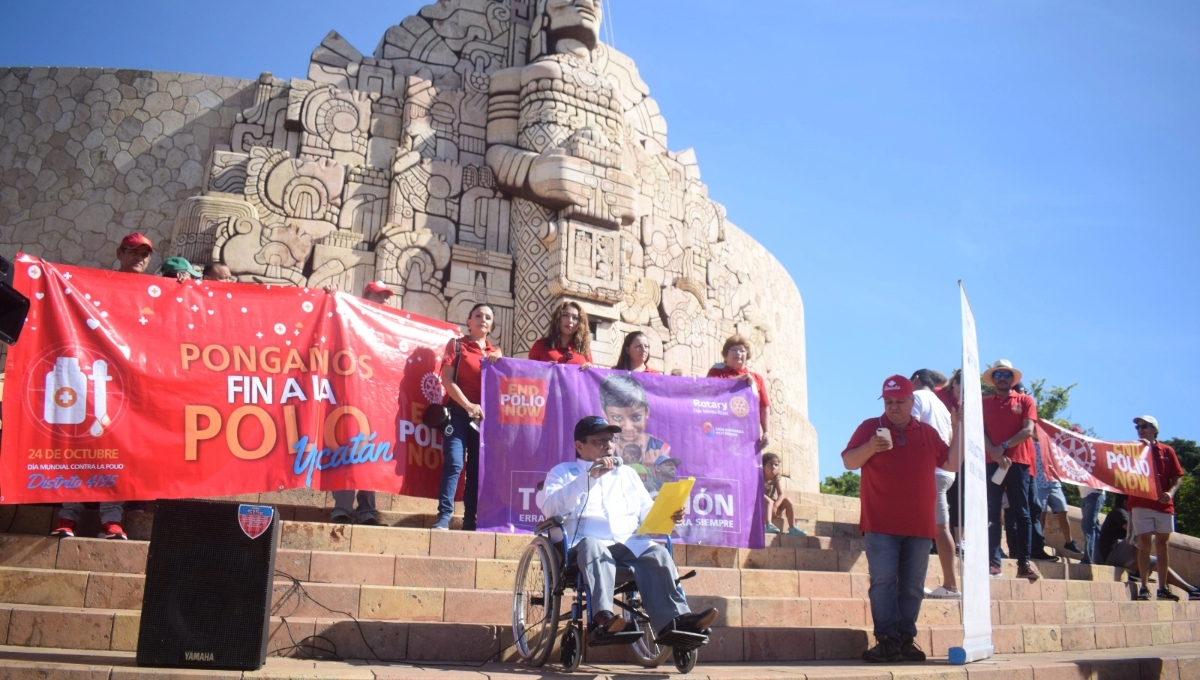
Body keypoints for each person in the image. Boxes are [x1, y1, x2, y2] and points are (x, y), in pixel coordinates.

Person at [538, 415, 718, 640]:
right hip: (582, 547)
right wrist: (589, 478)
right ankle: (603, 618)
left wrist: (668, 515)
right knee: (593, 545)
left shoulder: (627, 474)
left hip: (627, 544)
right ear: (579, 446)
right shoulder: (564, 473)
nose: (608, 445)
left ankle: (676, 620)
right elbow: (550, 508)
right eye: (599, 441)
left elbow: (647, 512)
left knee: (657, 553)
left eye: (611, 440)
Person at [842, 375, 959, 663]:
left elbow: (952, 463)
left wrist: (960, 427)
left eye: (900, 401)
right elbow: (848, 462)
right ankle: (886, 640)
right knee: (882, 582)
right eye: (889, 401)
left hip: (920, 525)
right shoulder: (871, 427)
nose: (894, 407)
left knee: (912, 585)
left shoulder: (928, 432)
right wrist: (870, 447)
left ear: (911, 401)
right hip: (880, 524)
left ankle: (905, 640)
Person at [50, 232, 156, 540]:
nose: (140, 258)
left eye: (145, 254)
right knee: (83, 444)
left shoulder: (156, 293)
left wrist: (182, 291)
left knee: (117, 449)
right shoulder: (97, 283)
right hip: (92, 377)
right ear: (120, 253)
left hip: (132, 384)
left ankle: (111, 520)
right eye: (134, 252)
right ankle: (67, 516)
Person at [328, 282, 395, 525]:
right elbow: (327, 321)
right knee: (345, 450)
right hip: (347, 393)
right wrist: (330, 297)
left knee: (370, 452)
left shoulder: (389, 327)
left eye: (387, 297)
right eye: (380, 296)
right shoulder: (347, 316)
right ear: (365, 296)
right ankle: (342, 509)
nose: (385, 302)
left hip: (376, 399)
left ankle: (367, 511)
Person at [435, 303, 503, 531]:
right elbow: (447, 380)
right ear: (469, 321)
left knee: (476, 469)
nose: (483, 319)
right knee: (454, 462)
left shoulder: (495, 354)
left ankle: (470, 521)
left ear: (492, 325)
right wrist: (468, 405)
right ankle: (444, 517)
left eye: (488, 317)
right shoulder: (456, 345)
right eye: (478, 315)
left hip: (483, 421)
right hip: (458, 414)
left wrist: (500, 357)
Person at [981, 359, 1040, 581]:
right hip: (991, 463)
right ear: (992, 379)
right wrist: (995, 453)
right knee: (992, 512)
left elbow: (1028, 430)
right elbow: (978, 429)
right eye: (998, 375)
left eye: (1006, 374)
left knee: (1021, 512)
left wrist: (1002, 447)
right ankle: (993, 562)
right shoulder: (984, 403)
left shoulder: (1025, 400)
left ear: (1013, 378)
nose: (1002, 378)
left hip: (1019, 463)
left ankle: (1024, 562)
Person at [909, 369, 958, 599]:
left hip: (930, 471)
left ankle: (951, 585)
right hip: (944, 470)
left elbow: (912, 428)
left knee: (940, 528)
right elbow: (949, 439)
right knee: (937, 527)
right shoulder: (941, 405)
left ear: (917, 379)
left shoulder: (917, 397)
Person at [1128, 415, 1188, 601]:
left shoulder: (1167, 451)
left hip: (1163, 505)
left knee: (1162, 545)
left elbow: (1178, 477)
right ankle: (1144, 586)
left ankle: (1162, 588)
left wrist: (1170, 493)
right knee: (1144, 543)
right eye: (1138, 427)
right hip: (1140, 503)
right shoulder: (1132, 450)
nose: (1140, 429)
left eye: (1144, 426)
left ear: (1154, 429)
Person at [1098, 494, 1199, 600]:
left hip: (1126, 554)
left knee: (1158, 563)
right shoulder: (1118, 512)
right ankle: (1137, 572)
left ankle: (1190, 589)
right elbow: (1132, 529)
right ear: (1125, 502)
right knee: (1141, 533)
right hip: (1113, 553)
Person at [598, 373, 671, 470]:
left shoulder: (661, 449)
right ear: (605, 413)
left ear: (646, 411)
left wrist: (653, 470)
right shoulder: (600, 447)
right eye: (616, 417)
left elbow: (667, 482)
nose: (628, 427)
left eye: (636, 417)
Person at [707, 335, 769, 447]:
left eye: (742, 350)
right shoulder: (716, 372)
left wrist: (766, 432)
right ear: (726, 355)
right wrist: (738, 380)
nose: (738, 353)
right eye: (733, 350)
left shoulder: (757, 378)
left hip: (747, 435)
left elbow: (764, 407)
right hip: (720, 430)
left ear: (747, 355)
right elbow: (709, 389)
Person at [528, 301, 592, 367]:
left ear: (580, 323)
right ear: (558, 319)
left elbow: (592, 376)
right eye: (565, 315)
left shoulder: (585, 350)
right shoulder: (540, 345)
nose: (570, 320)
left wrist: (590, 370)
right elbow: (528, 372)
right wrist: (544, 369)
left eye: (575, 317)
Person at [762, 452, 804, 536]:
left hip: (772, 507)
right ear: (763, 466)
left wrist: (776, 505)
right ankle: (767, 524)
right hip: (762, 505)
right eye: (770, 464)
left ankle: (792, 527)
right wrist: (771, 503)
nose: (773, 467)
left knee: (787, 500)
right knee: (769, 501)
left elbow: (781, 494)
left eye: (776, 465)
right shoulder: (759, 477)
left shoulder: (776, 479)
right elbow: (757, 493)